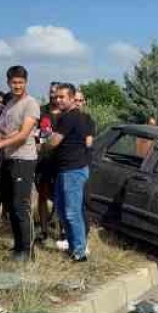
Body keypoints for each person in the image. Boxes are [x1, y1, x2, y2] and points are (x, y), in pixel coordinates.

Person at [0, 65, 40, 262]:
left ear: (26, 82)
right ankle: (18, 247)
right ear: (8, 82)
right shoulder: (9, 104)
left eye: (20, 82)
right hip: (8, 159)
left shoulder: (31, 104)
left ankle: (28, 252)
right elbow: (4, 130)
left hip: (23, 159)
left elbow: (23, 135)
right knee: (11, 206)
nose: (17, 86)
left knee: (21, 206)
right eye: (14, 82)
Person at [43, 83, 96, 262]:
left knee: (72, 212)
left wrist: (40, 144)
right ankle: (74, 248)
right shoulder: (74, 117)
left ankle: (79, 252)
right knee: (63, 209)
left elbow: (54, 142)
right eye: (56, 97)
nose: (58, 100)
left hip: (73, 170)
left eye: (62, 97)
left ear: (72, 98)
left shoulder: (70, 118)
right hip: (67, 169)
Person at [35, 82, 61, 242]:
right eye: (51, 92)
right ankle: (44, 230)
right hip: (43, 161)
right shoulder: (41, 111)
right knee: (42, 196)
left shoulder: (67, 113)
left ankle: (60, 231)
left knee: (60, 197)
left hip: (61, 162)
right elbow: (34, 132)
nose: (54, 96)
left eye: (57, 93)